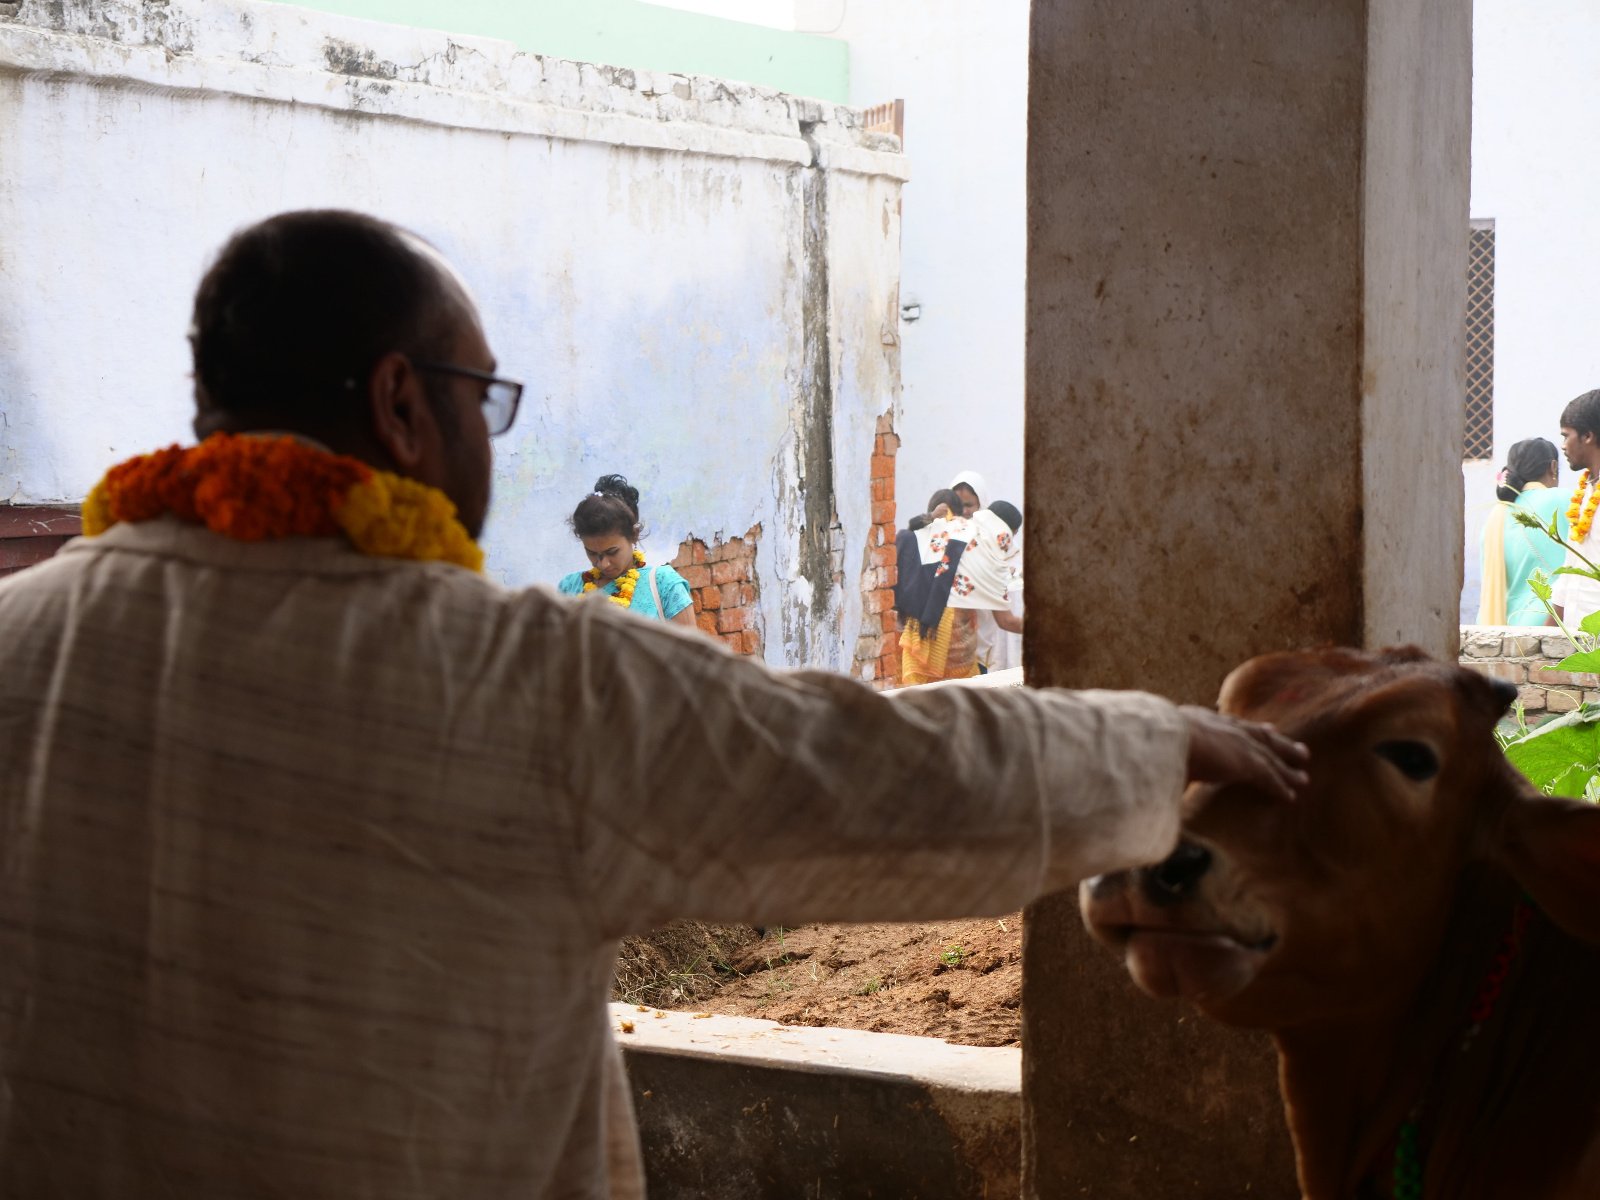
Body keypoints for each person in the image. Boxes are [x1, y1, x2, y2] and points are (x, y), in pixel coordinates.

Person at [0, 210, 1308, 1199]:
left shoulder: (20, 641)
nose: (484, 442)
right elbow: (860, 769)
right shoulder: (511, 678)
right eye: (481, 400)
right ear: (403, 405)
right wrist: (1153, 739)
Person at [558, 474, 696, 627]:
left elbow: (690, 650)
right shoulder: (570, 588)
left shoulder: (664, 585)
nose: (603, 564)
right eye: (592, 553)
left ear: (634, 536)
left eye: (612, 552)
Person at [1477, 437, 1567, 625]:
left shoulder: (1495, 517)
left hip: (1502, 627)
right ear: (1553, 467)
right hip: (1549, 624)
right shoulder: (1564, 500)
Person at [1554, 390, 1600, 626]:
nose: (1562, 446)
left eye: (1566, 436)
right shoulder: (1586, 490)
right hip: (1577, 638)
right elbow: (1570, 569)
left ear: (1588, 436)